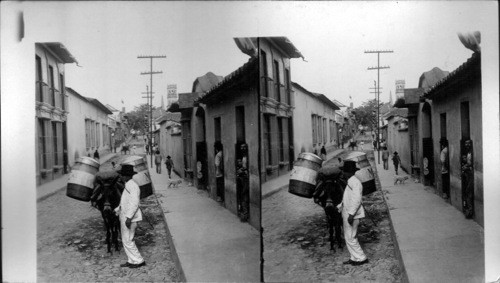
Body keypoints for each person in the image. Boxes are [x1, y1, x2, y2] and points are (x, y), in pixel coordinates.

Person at [114, 164, 146, 269]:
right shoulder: (128, 184)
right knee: (125, 239)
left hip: (130, 219)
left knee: (128, 240)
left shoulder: (132, 185)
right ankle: (131, 260)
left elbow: (134, 203)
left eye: (122, 175)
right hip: (126, 216)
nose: (121, 177)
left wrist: (128, 218)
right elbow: (125, 201)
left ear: (127, 176)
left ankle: (138, 260)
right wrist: (118, 209)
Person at [337, 160, 368, 266]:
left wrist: (351, 214)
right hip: (348, 213)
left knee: (351, 237)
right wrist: (340, 206)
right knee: (348, 236)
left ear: (348, 172)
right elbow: (347, 198)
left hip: (352, 215)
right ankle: (354, 257)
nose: (343, 173)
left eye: (344, 171)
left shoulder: (355, 182)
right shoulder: (351, 181)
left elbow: (356, 200)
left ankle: (361, 257)